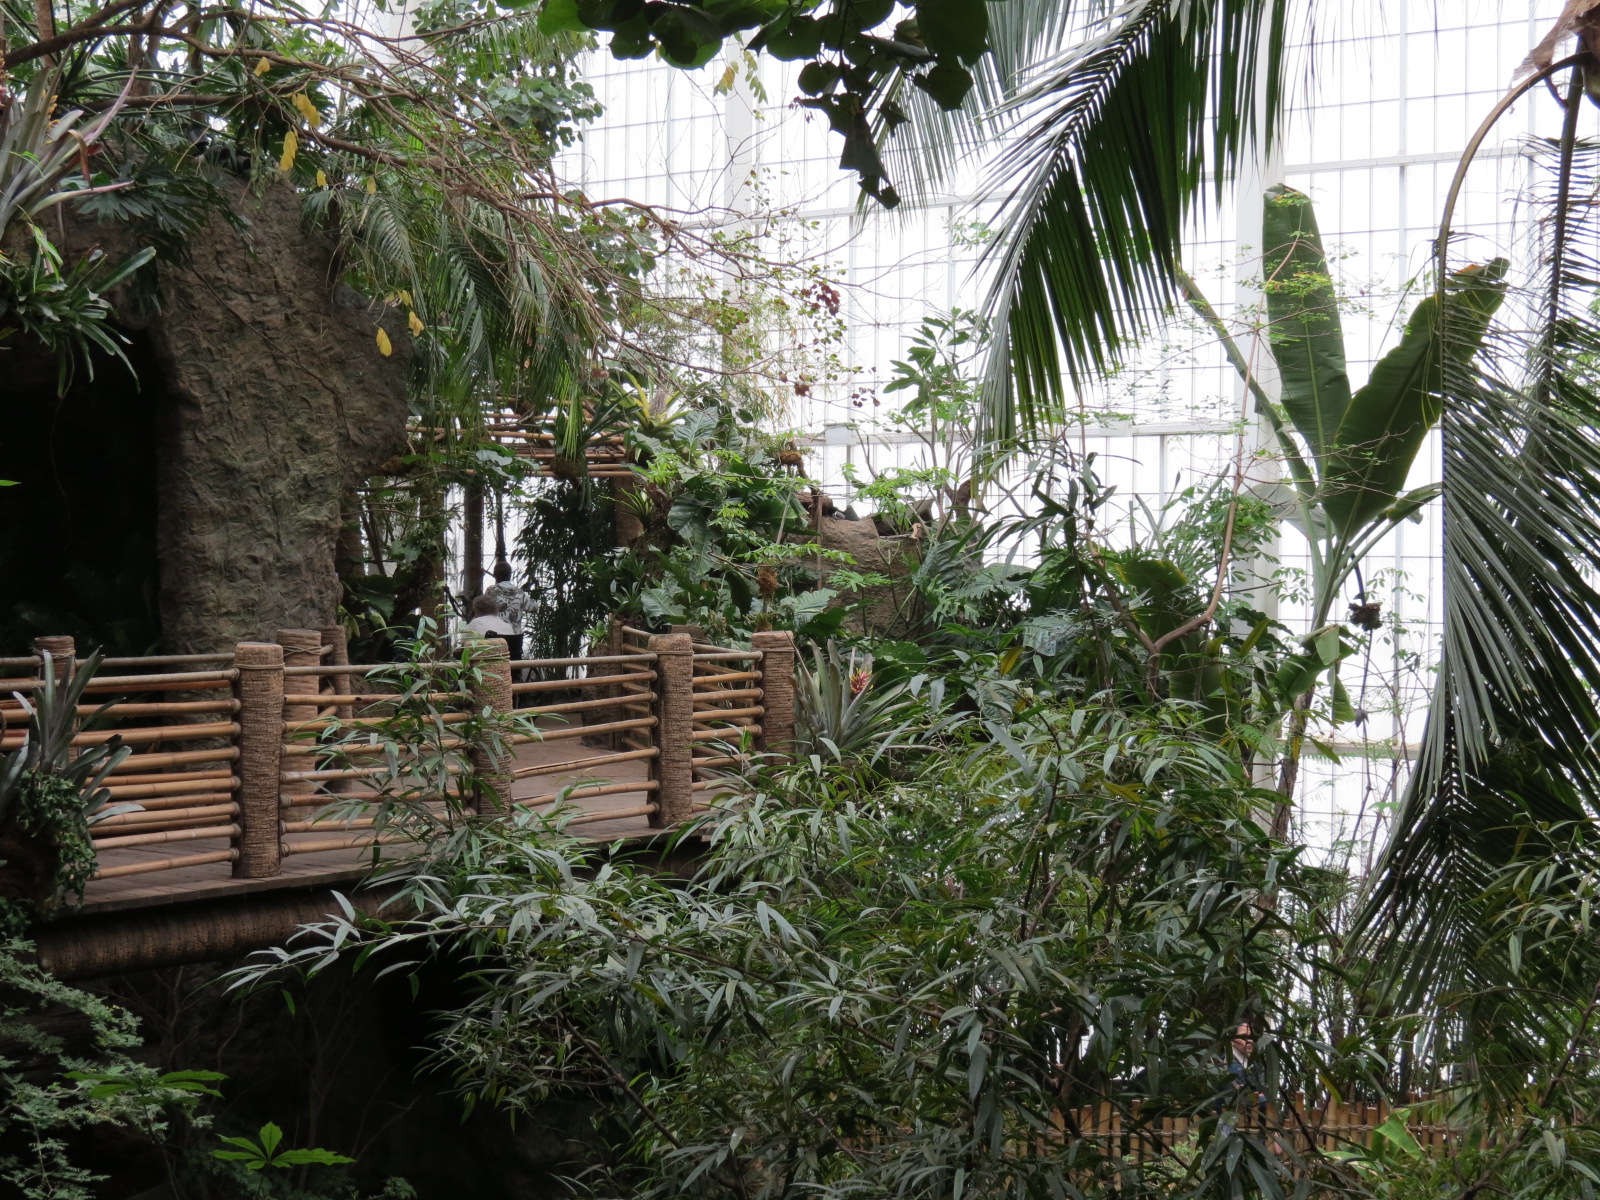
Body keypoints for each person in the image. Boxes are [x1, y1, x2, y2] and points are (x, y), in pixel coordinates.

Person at [463, 592, 523, 660]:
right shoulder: (508, 626)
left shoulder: (476, 623)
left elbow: (463, 645)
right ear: (496, 609)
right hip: (510, 666)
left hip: (485, 666)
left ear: (475, 610)